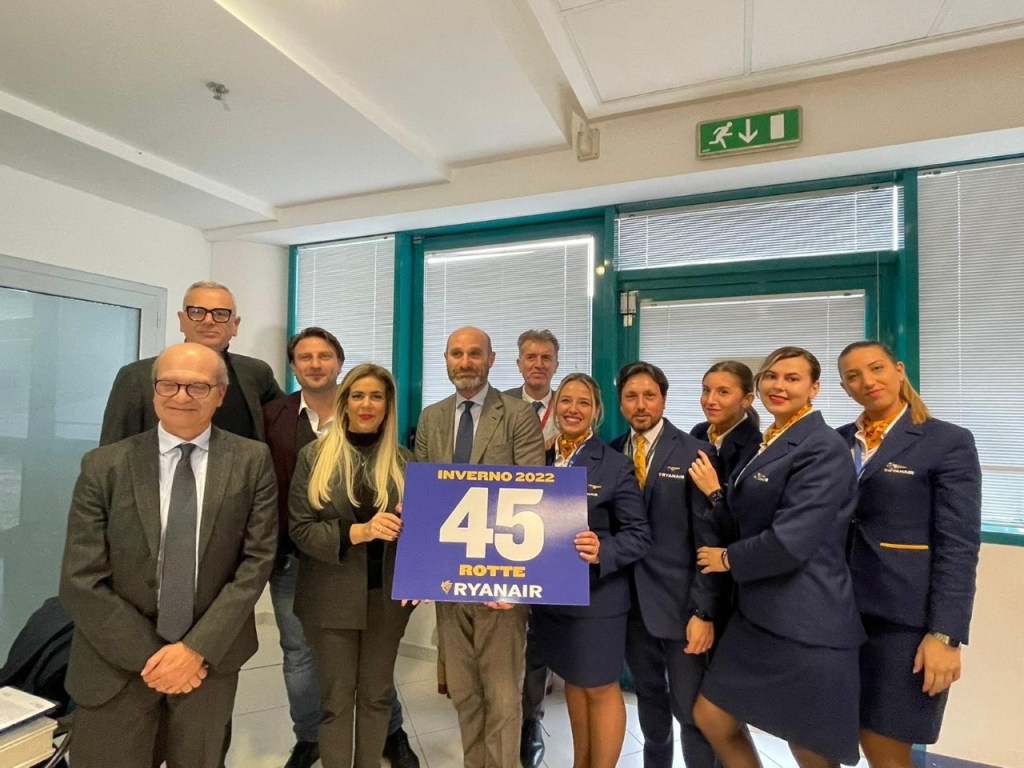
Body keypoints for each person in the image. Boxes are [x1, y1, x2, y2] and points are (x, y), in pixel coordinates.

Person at [59, 342, 278, 768]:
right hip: (115, 662)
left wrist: (194, 650)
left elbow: (256, 562)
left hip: (208, 663)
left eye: (197, 387)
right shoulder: (103, 466)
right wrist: (155, 658)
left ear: (220, 394)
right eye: (169, 385)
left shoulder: (252, 461)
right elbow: (80, 578)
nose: (181, 396)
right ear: (153, 390)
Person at [693, 347, 865, 768]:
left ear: (814, 388)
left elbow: (791, 541)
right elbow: (749, 517)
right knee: (712, 715)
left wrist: (726, 559)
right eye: (771, 376)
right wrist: (716, 496)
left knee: (809, 747)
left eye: (792, 378)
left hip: (804, 618)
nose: (779, 386)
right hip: (758, 614)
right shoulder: (770, 439)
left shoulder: (822, 447)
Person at [836, 341, 981, 768]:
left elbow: (959, 545)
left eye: (876, 368)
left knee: (884, 745)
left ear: (899, 370)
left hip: (903, 622)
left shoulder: (946, 441)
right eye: (853, 376)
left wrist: (946, 635)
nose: (867, 381)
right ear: (844, 388)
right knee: (826, 733)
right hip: (836, 612)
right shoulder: (835, 441)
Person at [414, 326, 545, 768]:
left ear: (491, 359)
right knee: (465, 691)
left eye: (475, 353)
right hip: (450, 580)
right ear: (446, 360)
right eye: (457, 353)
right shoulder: (431, 418)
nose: (465, 362)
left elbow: (533, 492)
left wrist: (516, 582)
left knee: (503, 696)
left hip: (501, 582)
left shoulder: (517, 415)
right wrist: (423, 570)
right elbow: (425, 497)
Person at [288, 363, 416, 768]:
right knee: (336, 701)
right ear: (344, 403)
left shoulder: (406, 462)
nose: (366, 404)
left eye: (376, 396)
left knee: (377, 697)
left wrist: (423, 573)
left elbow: (423, 535)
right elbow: (300, 530)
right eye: (358, 395)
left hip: (387, 601)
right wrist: (358, 532)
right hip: (329, 598)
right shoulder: (313, 457)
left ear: (388, 405)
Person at [610, 361, 726, 768]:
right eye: (631, 396)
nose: (640, 405)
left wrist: (703, 612)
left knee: (691, 710)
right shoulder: (610, 453)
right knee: (649, 700)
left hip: (682, 607)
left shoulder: (695, 452)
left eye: (649, 395)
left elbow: (709, 539)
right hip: (630, 607)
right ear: (620, 402)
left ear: (663, 398)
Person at [532, 373, 650, 768]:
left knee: (599, 688)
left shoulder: (614, 465)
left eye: (583, 402)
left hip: (598, 599)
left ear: (596, 412)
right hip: (552, 599)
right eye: (566, 400)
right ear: (555, 407)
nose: (573, 409)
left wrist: (603, 550)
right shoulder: (536, 458)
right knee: (574, 683)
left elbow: (639, 535)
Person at [262, 327, 342, 768]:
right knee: (298, 652)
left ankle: (389, 731)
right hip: (290, 554)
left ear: (339, 362)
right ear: (293, 367)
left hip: (353, 553)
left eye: (324, 355)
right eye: (305, 357)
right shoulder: (272, 415)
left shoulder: (364, 407)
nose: (315, 364)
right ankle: (309, 737)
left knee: (365, 650)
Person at [100, 281, 283, 445]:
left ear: (235, 325)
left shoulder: (257, 373)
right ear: (182, 320)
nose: (208, 321)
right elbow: (112, 454)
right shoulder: (136, 376)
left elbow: (290, 418)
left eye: (220, 314)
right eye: (197, 312)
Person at [504, 328, 561, 767]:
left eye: (545, 357)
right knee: (505, 630)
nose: (538, 364)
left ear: (555, 364)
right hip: (503, 529)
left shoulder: (571, 405)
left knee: (538, 635)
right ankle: (501, 712)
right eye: (530, 356)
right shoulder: (500, 405)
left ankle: (530, 721)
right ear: (519, 362)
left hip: (551, 531)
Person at [690, 360, 761, 487]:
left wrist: (713, 491)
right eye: (706, 390)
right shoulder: (699, 432)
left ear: (747, 400)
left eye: (723, 392)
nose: (710, 400)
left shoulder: (757, 447)